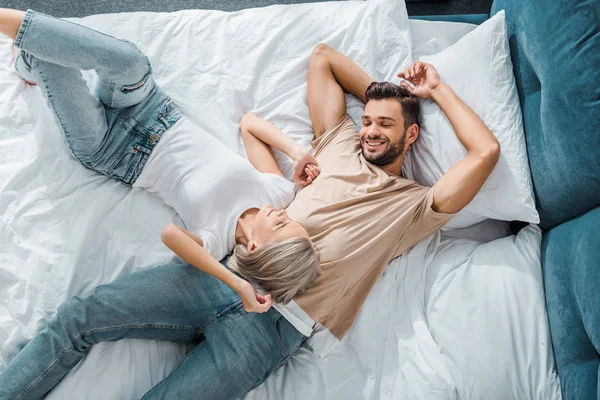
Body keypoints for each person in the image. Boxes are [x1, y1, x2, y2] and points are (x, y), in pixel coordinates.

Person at [0, 10, 501, 400]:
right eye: (367, 119)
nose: (370, 130)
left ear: (411, 136)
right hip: (222, 272)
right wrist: (384, 98)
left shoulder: (412, 206)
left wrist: (433, 90)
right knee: (80, 317)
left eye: (385, 126)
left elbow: (486, 152)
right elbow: (323, 57)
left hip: (276, 329)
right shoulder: (339, 142)